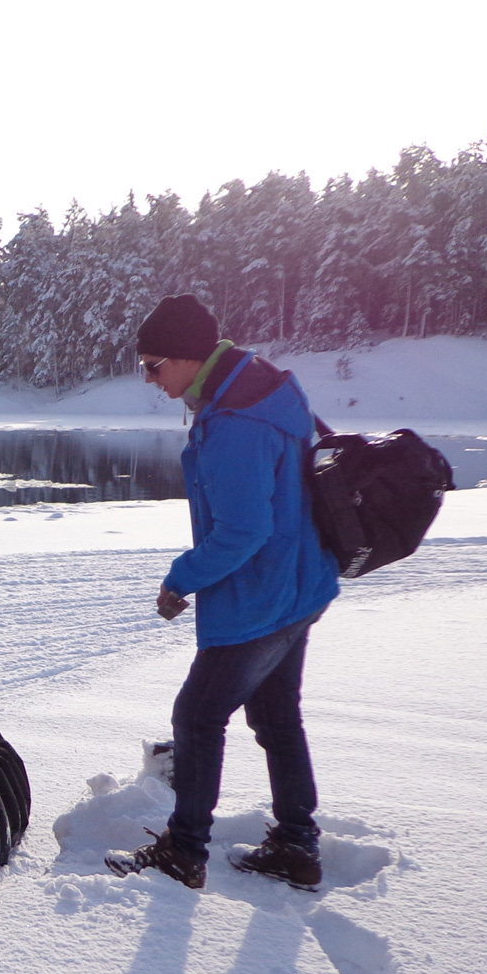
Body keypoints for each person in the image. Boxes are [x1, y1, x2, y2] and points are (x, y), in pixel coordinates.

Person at [107, 294, 340, 891]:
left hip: (263, 596)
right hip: (300, 583)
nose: (150, 378)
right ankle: (297, 844)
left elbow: (244, 530)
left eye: (155, 365)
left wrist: (180, 579)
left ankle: (185, 853)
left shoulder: (237, 424)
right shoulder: (256, 392)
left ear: (189, 358)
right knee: (275, 713)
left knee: (199, 714)